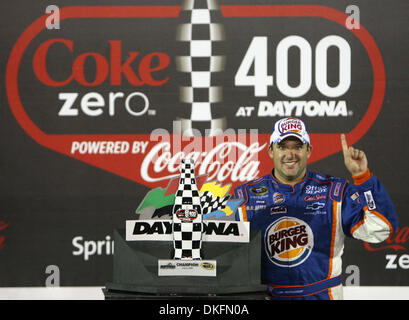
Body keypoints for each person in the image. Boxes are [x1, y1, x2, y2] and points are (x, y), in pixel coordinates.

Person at [234, 117, 398, 300]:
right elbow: (224, 254)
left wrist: (362, 177)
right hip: (266, 296)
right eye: (282, 147)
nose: (290, 154)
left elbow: (380, 230)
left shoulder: (334, 191)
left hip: (322, 295)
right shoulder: (245, 196)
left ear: (308, 150)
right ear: (271, 151)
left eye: (297, 146)